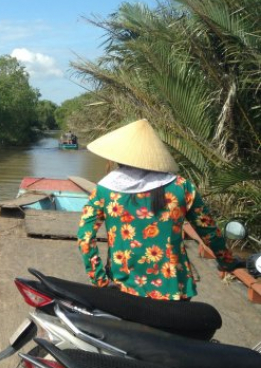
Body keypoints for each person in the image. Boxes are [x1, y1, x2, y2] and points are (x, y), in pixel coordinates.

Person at [77, 119, 234, 300]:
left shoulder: (104, 191)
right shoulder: (182, 187)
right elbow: (209, 233)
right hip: (175, 288)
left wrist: (100, 281)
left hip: (124, 287)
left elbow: (85, 238)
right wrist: (226, 262)